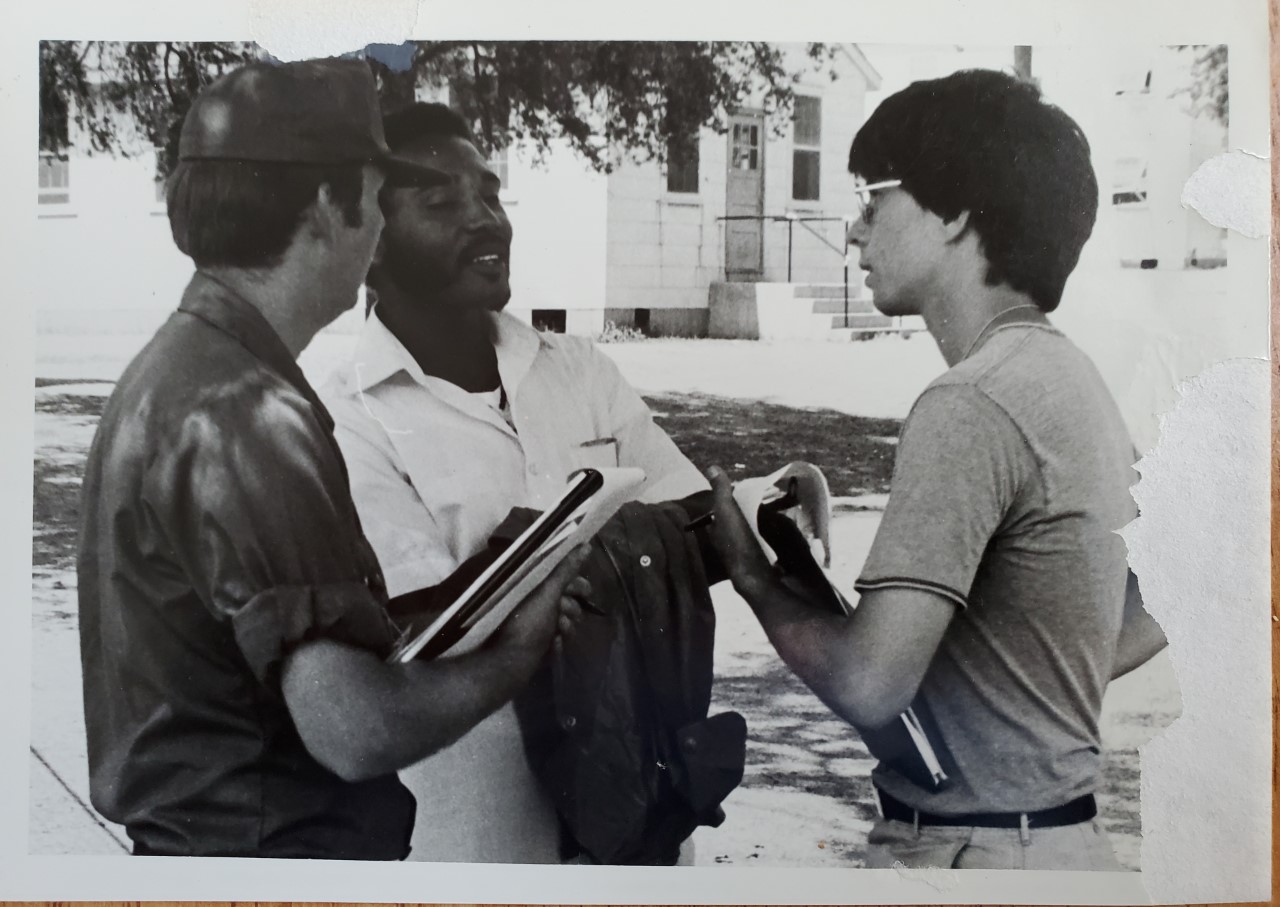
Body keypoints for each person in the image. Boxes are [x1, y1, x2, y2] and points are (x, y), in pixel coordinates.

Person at [76, 59, 589, 859]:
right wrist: (515, 657)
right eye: (373, 195)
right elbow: (353, 727)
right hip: (271, 858)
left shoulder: (177, 371)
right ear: (325, 208)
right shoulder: (250, 415)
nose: (382, 226)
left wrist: (480, 587)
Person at [700, 69, 1168, 871]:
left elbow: (868, 683)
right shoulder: (1071, 379)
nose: (853, 232)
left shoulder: (970, 400)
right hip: (1065, 850)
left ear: (955, 213)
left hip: (969, 854)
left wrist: (756, 580)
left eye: (873, 199)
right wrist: (1013, 682)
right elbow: (1151, 610)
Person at [321, 102, 710, 863]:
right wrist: (605, 544)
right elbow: (429, 624)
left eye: (491, 195)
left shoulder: (579, 369)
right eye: (440, 202)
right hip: (485, 835)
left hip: (635, 806)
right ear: (369, 242)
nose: (486, 220)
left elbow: (694, 522)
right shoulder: (347, 416)